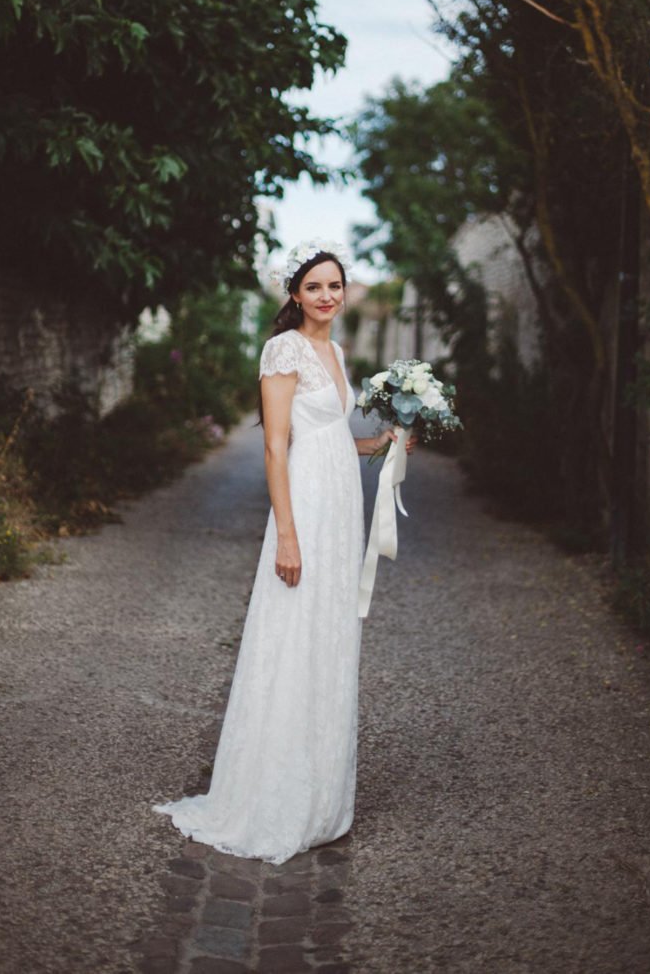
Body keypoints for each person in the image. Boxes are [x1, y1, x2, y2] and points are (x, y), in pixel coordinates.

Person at [152, 240, 401, 864]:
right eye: (314, 286)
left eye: (335, 286)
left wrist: (384, 445)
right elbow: (277, 445)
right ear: (294, 294)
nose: (326, 296)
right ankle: (271, 795)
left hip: (340, 508)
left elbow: (333, 438)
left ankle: (320, 796)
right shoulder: (283, 349)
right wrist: (287, 534)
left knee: (327, 635)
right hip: (305, 510)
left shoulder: (337, 352)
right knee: (293, 631)